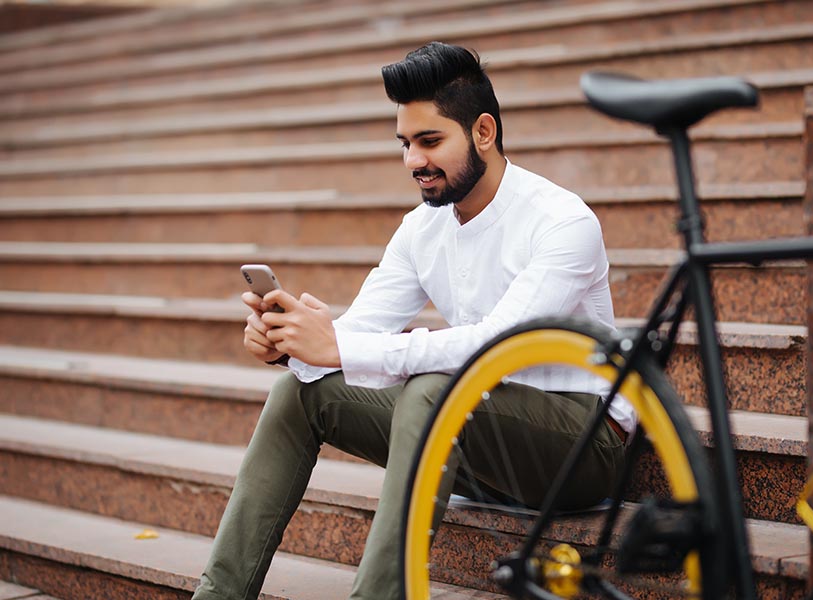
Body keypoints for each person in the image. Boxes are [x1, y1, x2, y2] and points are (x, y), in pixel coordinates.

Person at [193, 41, 634, 600]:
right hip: (478, 442)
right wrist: (293, 343)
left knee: (434, 390)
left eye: (430, 141)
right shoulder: (422, 228)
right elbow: (361, 330)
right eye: (405, 143)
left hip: (583, 449)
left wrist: (340, 348)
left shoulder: (561, 221)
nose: (413, 161)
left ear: (483, 132)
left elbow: (499, 347)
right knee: (298, 393)